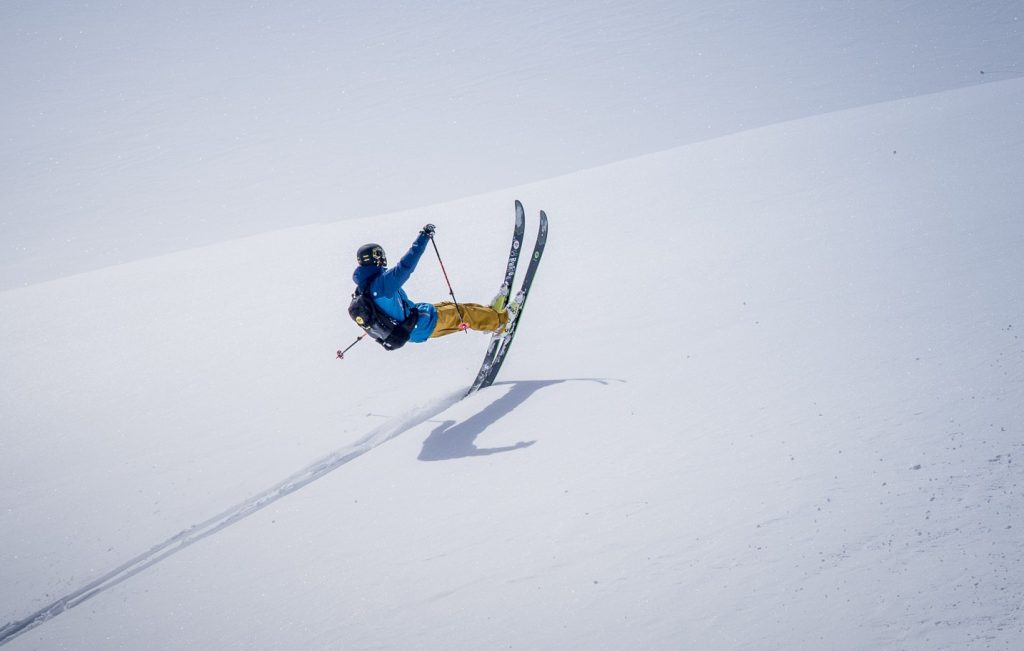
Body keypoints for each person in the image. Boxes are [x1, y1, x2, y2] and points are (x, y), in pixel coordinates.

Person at [352, 224, 516, 345]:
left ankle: (489, 315)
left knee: (455, 307)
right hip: (421, 324)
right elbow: (405, 267)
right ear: (374, 259)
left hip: (418, 317)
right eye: (379, 255)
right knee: (462, 313)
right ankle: (501, 322)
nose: (383, 259)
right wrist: (423, 238)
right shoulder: (380, 285)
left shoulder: (365, 287)